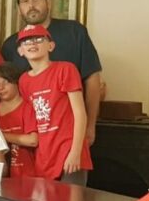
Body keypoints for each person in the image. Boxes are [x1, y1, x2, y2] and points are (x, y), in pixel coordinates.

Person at [0, 0, 103, 146]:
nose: (31, 5)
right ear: (19, 9)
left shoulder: (74, 32)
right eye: (25, 1)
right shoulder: (10, 45)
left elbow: (93, 79)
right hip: (29, 135)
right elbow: (7, 93)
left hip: (69, 134)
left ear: (48, 2)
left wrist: (90, 125)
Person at [15, 25, 92, 185]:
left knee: (71, 199)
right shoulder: (23, 81)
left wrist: (75, 152)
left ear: (51, 45)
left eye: (38, 39)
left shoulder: (65, 69)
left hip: (69, 149)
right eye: (26, 41)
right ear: (20, 50)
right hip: (44, 155)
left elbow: (80, 113)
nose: (32, 43)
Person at [0, 63, 37, 178]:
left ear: (16, 82)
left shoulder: (27, 107)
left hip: (26, 176)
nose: (1, 87)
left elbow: (32, 140)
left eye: (6, 82)